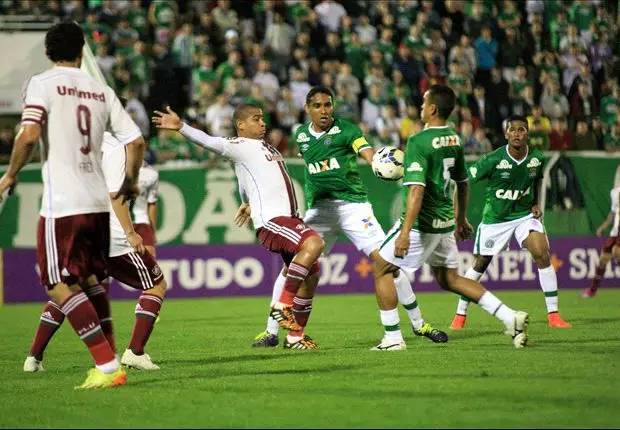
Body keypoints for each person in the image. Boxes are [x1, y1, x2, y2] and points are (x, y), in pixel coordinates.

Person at [0, 22, 145, 389]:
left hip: (63, 202)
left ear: (48, 52)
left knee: (56, 283)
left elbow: (29, 134)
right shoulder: (101, 90)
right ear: (82, 51)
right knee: (92, 280)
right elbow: (137, 141)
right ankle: (109, 362)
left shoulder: (42, 83)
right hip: (98, 202)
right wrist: (129, 181)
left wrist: (11, 174)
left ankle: (107, 365)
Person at [251, 86, 447, 350]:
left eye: (328, 105)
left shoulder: (347, 130)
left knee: (386, 263)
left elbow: (365, 151)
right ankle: (271, 332)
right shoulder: (300, 135)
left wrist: (377, 160)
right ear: (308, 108)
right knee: (292, 267)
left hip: (354, 207)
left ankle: (419, 324)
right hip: (321, 210)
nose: (324, 110)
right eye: (318, 106)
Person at [153, 104, 325, 350]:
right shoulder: (239, 145)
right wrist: (182, 127)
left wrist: (246, 202)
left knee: (311, 276)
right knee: (314, 243)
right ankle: (282, 305)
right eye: (256, 119)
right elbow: (210, 142)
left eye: (263, 119)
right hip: (274, 222)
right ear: (241, 125)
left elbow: (244, 178)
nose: (263, 123)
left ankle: (295, 337)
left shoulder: (263, 147)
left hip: (290, 220)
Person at [374, 85, 530, 349]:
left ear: (433, 108)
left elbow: (416, 190)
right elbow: (463, 182)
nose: (421, 107)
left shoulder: (418, 141)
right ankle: (509, 317)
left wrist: (404, 233)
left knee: (382, 268)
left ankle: (392, 338)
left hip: (422, 225)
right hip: (445, 223)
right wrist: (460, 219)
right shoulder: (455, 138)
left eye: (424, 102)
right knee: (451, 279)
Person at [23, 132, 167, 373]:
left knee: (70, 291)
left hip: (80, 230)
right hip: (112, 235)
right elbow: (116, 196)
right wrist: (130, 233)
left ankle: (33, 358)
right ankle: (135, 352)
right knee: (156, 285)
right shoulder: (117, 146)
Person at [449, 115, 572, 330]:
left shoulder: (537, 158)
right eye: (512, 130)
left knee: (542, 252)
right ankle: (460, 314)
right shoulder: (493, 159)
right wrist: (458, 217)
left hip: (524, 216)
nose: (517, 133)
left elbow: (537, 179)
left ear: (528, 133)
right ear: (506, 134)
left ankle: (553, 315)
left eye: (521, 129)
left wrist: (534, 202)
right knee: (480, 265)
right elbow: (463, 182)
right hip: (495, 220)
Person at [582, 186, 620, 298]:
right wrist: (603, 227)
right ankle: (592, 291)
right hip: (615, 232)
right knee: (603, 259)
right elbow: (613, 214)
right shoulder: (614, 192)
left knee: (616, 251)